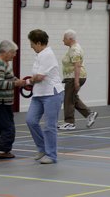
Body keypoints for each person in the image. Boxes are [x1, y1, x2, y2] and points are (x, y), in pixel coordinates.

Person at [26, 29, 65, 164]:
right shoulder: (39, 55)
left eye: (31, 43)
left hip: (52, 94)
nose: (30, 46)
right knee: (31, 120)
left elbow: (39, 76)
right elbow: (36, 76)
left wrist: (26, 82)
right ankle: (42, 148)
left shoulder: (47, 54)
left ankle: (51, 155)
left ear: (38, 43)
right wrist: (32, 79)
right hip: (39, 94)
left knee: (49, 126)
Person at [0, 40, 27, 160]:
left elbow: (10, 78)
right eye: (13, 52)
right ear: (6, 52)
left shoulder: (4, 63)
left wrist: (20, 82)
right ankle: (3, 151)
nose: (14, 55)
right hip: (0, 102)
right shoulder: (0, 64)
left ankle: (3, 150)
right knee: (8, 127)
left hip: (3, 102)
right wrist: (16, 83)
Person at [58, 29, 98, 130]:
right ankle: (90, 114)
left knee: (68, 99)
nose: (63, 40)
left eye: (64, 38)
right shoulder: (73, 48)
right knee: (73, 98)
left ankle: (69, 122)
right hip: (73, 77)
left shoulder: (75, 49)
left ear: (70, 39)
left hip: (75, 77)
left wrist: (76, 81)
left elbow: (77, 65)